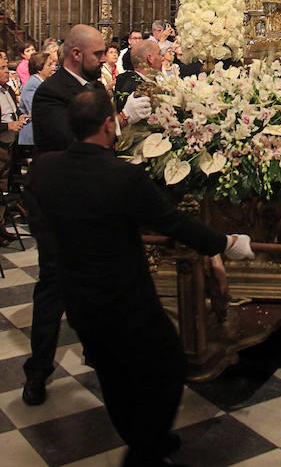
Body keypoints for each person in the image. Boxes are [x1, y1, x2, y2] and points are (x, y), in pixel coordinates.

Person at [27, 87, 255, 467]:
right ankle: (145, 448)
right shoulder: (120, 176)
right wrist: (227, 242)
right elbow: (173, 223)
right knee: (168, 367)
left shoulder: (44, 170)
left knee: (113, 376)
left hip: (79, 298)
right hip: (126, 299)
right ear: (108, 123)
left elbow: (43, 224)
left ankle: (145, 440)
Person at [24, 24, 152, 406]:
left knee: (102, 280)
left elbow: (106, 144)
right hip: (57, 204)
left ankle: (102, 356)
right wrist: (121, 119)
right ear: (77, 54)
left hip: (95, 200)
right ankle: (38, 371)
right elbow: (71, 140)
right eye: (99, 54)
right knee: (54, 284)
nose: (105, 58)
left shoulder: (96, 89)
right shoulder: (50, 93)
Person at [0, 61, 28, 244]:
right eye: (2, 68)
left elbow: (14, 111)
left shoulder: (8, 90)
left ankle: (1, 227)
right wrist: (7, 125)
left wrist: (20, 117)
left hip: (9, 144)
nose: (7, 72)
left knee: (3, 187)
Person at [18, 50, 58, 148]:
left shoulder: (43, 83)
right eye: (50, 65)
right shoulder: (32, 84)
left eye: (53, 64)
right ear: (39, 69)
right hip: (31, 138)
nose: (54, 68)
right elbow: (35, 110)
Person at [115, 38, 163, 111]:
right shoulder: (135, 88)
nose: (162, 58)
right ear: (150, 58)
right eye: (159, 54)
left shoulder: (153, 81)